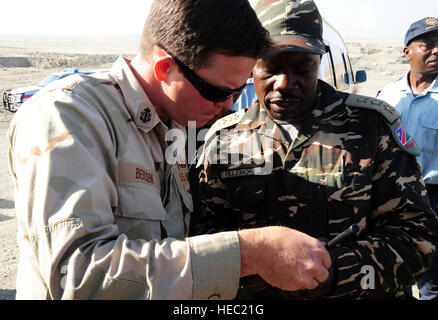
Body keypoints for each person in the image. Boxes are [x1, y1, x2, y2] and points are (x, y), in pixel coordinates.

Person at [7, 0, 332, 300]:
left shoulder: (172, 126)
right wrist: (251, 253)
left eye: (237, 91)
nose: (228, 105)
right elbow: (79, 276)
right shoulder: (68, 116)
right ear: (165, 68)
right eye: (217, 91)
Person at [191, 0, 438, 299]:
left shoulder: (373, 128)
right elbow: (202, 237)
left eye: (302, 67)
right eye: (270, 67)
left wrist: (333, 272)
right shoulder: (224, 141)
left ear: (318, 63)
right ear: (251, 64)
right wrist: (246, 265)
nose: (283, 83)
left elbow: (418, 238)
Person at [377, 17, 438, 300]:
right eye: (428, 44)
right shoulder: (386, 96)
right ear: (407, 52)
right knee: (391, 273)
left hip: (433, 198)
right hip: (390, 198)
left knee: (431, 281)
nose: (436, 51)